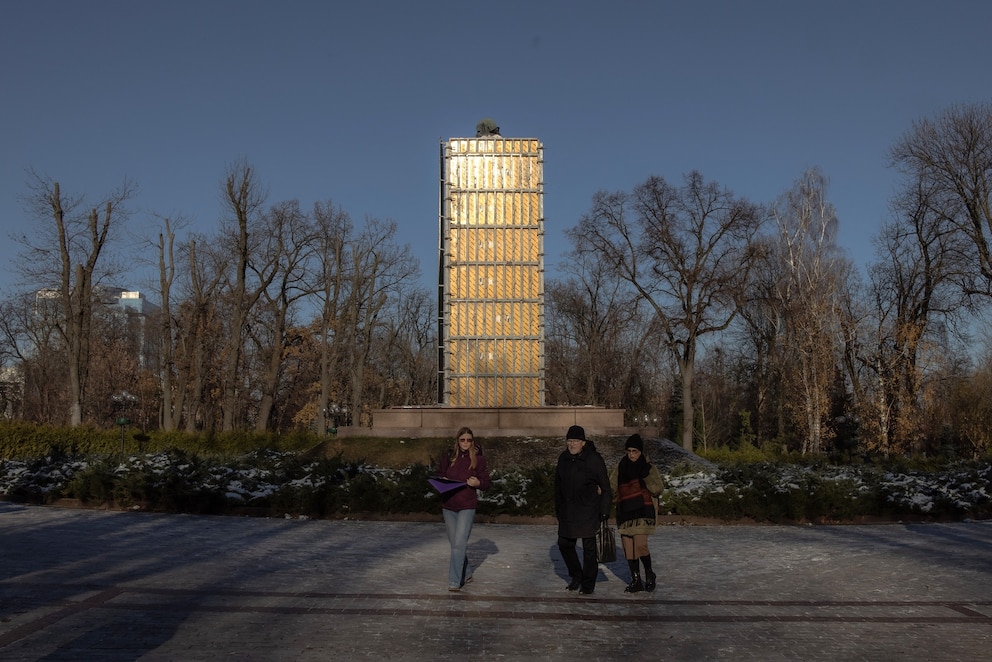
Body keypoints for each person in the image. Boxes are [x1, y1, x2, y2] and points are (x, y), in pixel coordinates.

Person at [554, 424, 612, 595]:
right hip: (568, 511)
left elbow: (606, 487)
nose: (572, 444)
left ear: (583, 442)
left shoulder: (594, 459)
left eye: (576, 441)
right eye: (569, 441)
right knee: (564, 544)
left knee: (589, 549)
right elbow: (557, 485)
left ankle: (588, 583)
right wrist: (558, 507)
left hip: (589, 510)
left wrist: (604, 510)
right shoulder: (563, 458)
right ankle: (576, 575)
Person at [437, 427, 491, 591]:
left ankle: (454, 581)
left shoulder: (478, 459)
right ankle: (466, 573)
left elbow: (487, 482)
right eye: (463, 440)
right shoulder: (449, 456)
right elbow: (439, 473)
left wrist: (477, 483)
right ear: (458, 441)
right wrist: (442, 479)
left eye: (469, 440)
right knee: (455, 544)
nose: (466, 443)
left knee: (459, 544)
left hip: (467, 505)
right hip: (449, 505)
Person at [610, 433, 664, 593]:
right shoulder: (620, 467)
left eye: (635, 451)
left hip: (643, 511)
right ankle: (635, 580)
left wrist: (646, 478)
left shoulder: (648, 468)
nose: (632, 454)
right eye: (629, 451)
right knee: (628, 548)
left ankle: (649, 574)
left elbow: (658, 489)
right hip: (625, 512)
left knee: (640, 545)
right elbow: (612, 485)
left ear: (640, 451)